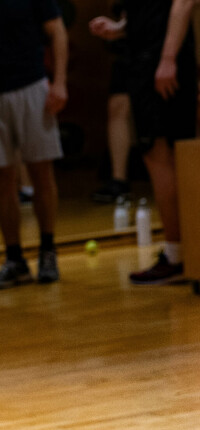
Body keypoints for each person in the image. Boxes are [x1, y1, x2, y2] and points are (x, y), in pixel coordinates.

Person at [90, 0, 197, 285]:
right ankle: (184, 253)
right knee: (160, 154)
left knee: (164, 154)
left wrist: (167, 58)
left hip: (160, 63)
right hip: (147, 59)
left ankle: (180, 255)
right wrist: (121, 28)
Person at [0, 0, 68, 290]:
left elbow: (58, 31)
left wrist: (59, 82)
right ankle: (15, 259)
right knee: (2, 181)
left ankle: (48, 251)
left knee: (41, 173)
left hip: (32, 85)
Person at [90, 2, 134, 205]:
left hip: (163, 46)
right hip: (132, 46)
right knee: (118, 106)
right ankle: (119, 179)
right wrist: (119, 28)